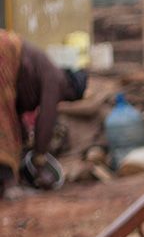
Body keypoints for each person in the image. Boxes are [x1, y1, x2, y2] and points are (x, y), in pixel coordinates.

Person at [0, 28, 87, 197]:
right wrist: (39, 159)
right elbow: (47, 118)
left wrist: (24, 139)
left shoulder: (40, 69)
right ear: (70, 91)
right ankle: (9, 185)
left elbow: (16, 113)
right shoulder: (56, 79)